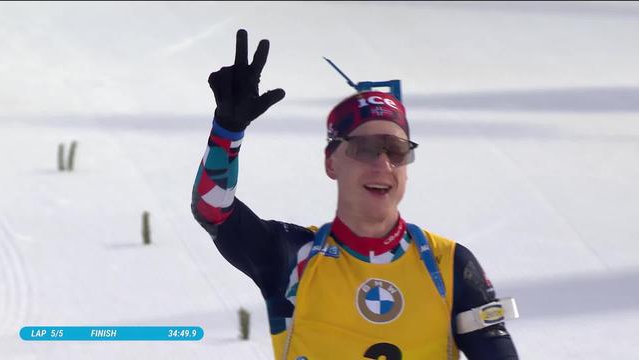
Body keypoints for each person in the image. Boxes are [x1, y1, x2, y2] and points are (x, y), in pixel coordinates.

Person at [192, 29, 519, 360]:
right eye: (365, 149)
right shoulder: (292, 257)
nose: (383, 163)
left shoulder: (448, 265)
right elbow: (214, 211)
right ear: (331, 163)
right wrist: (227, 131)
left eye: (396, 150)